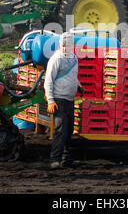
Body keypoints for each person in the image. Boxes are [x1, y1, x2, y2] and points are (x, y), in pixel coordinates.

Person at [44, 32, 83, 169]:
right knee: (60, 130)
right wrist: (50, 100)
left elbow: (72, 76)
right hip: (59, 99)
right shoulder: (56, 59)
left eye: (68, 46)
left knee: (69, 129)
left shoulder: (74, 58)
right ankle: (55, 159)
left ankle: (66, 158)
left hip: (70, 99)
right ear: (60, 45)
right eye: (63, 46)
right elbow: (48, 81)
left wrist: (78, 85)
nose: (65, 48)